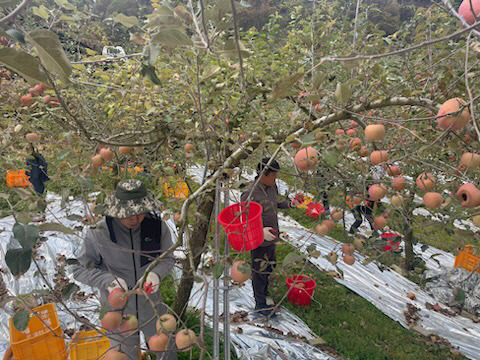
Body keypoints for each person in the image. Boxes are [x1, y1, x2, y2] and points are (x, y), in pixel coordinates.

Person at [72, 179, 176, 359]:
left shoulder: (156, 227)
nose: (134, 218)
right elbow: (80, 269)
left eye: (139, 212)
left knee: (165, 350)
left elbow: (167, 258)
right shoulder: (99, 232)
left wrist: (155, 274)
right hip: (117, 310)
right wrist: (109, 281)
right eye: (128, 214)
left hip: (150, 304)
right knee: (123, 354)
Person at [240, 158, 303, 318]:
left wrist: (291, 204)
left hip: (272, 235)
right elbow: (243, 220)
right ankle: (260, 305)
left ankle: (264, 293)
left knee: (269, 265)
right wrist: (260, 231)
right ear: (264, 174)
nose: (276, 180)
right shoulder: (250, 193)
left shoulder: (271, 186)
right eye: (274, 176)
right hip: (258, 238)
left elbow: (276, 204)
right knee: (259, 270)